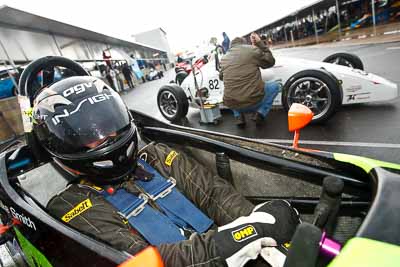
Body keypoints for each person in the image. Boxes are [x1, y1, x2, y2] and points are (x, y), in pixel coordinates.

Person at [32, 76, 300, 267]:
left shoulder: (158, 156)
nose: (109, 135)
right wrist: (238, 238)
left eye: (107, 121)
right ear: (61, 143)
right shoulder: (71, 206)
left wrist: (262, 221)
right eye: (89, 133)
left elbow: (213, 195)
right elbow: (139, 259)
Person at [219, 33, 280, 128]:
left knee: (231, 91)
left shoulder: (224, 58)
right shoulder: (252, 50)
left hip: (233, 104)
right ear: (244, 43)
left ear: (231, 46)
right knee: (276, 86)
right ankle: (260, 113)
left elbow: (221, 77)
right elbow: (270, 61)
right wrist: (259, 43)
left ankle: (238, 116)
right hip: (254, 102)